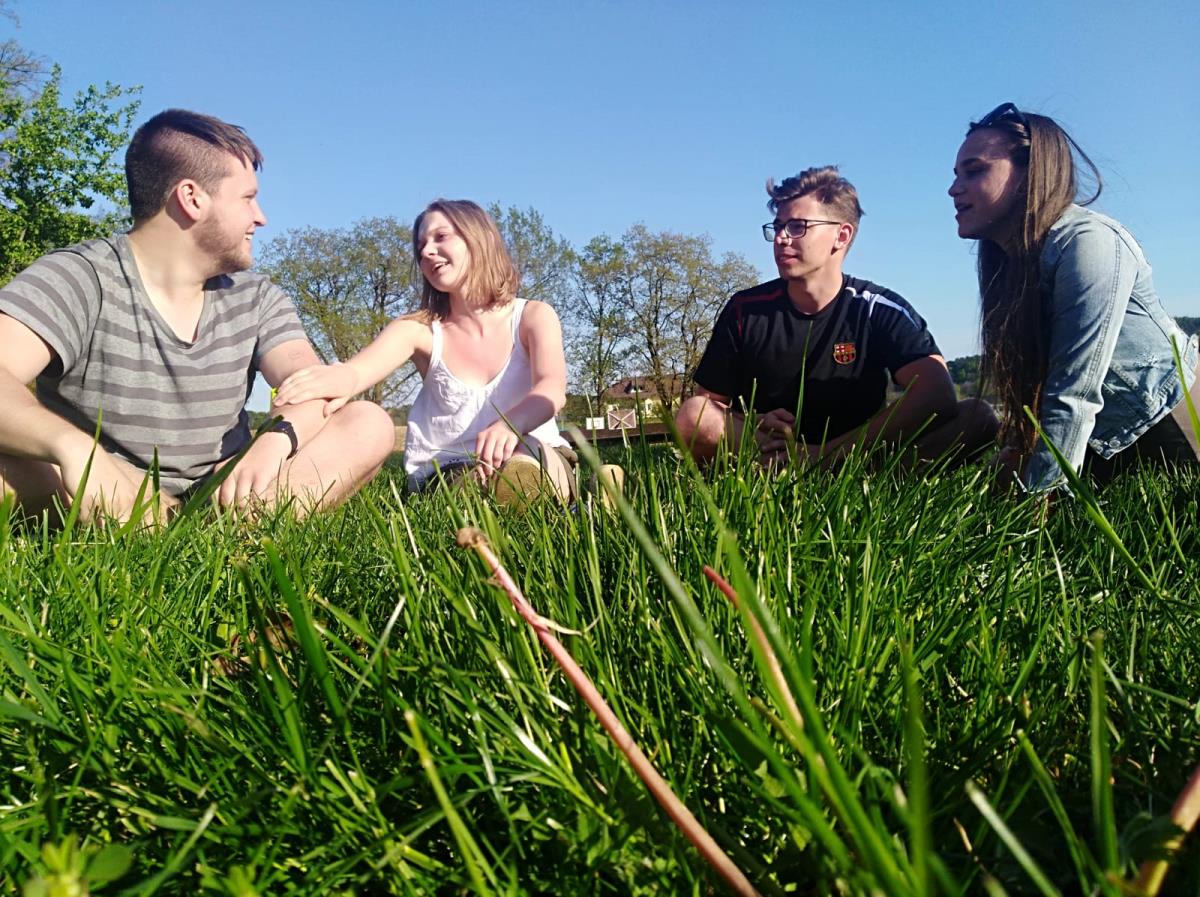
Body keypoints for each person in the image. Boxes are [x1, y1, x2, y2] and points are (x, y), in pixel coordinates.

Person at [0, 109, 396, 523]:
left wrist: (276, 439)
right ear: (192, 198)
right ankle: (149, 520)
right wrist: (74, 448)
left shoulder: (257, 296)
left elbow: (311, 387)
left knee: (368, 423)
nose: (260, 217)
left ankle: (233, 527)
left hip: (225, 491)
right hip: (98, 489)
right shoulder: (80, 276)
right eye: (247, 198)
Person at [949, 103, 1199, 491]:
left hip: (1168, 420)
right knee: (998, 485)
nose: (954, 189)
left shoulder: (1088, 242)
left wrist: (1035, 503)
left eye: (975, 170)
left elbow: (1074, 394)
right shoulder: (1009, 265)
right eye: (956, 174)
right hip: (1102, 436)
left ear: (1030, 174)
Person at [676, 165, 996, 467]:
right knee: (692, 413)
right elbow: (707, 405)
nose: (781, 238)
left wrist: (822, 455)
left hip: (855, 456)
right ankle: (781, 473)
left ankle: (848, 477)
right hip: (773, 450)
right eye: (778, 226)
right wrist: (754, 422)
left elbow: (937, 391)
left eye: (797, 226)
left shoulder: (876, 308)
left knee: (978, 417)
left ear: (841, 236)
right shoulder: (746, 309)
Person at [275, 198, 577, 504]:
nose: (426, 252)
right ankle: (539, 494)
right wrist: (335, 379)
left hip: (532, 446)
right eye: (421, 247)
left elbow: (551, 388)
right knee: (476, 482)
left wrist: (511, 424)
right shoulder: (419, 330)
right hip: (452, 466)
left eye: (441, 237)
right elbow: (357, 372)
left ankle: (535, 484)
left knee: (529, 456)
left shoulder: (533, 316)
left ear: (482, 239)